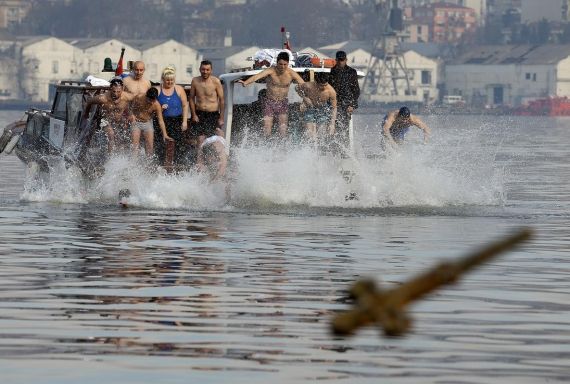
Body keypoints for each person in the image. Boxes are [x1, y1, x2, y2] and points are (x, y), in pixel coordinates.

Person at [237, 51, 305, 138]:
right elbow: (257, 77)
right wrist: (246, 82)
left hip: (282, 102)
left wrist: (307, 97)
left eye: (285, 64)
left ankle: (282, 147)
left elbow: (303, 84)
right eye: (280, 64)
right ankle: (267, 144)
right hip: (269, 102)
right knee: (267, 127)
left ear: (288, 63)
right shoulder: (271, 71)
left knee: (283, 128)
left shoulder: (291, 73)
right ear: (277, 63)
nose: (282, 67)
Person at [82, 77, 133, 153]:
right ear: (110, 89)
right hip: (104, 120)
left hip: (118, 121)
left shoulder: (127, 97)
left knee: (123, 138)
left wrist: (130, 114)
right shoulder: (103, 98)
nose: (116, 94)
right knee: (111, 134)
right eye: (114, 91)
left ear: (122, 89)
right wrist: (86, 114)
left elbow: (130, 104)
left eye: (118, 91)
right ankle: (110, 159)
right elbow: (89, 102)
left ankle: (120, 155)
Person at [155, 66, 189, 166]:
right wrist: (161, 109)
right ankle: (160, 165)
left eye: (171, 80)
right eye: (167, 80)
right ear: (163, 79)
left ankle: (179, 164)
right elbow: (152, 109)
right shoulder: (158, 89)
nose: (169, 82)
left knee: (180, 144)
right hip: (162, 120)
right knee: (160, 143)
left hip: (176, 120)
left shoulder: (179, 89)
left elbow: (185, 105)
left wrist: (184, 121)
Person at [189, 60, 225, 148]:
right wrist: (193, 115)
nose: (205, 72)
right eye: (203, 69)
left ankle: (221, 160)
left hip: (213, 114)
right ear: (200, 69)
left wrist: (221, 117)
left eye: (207, 70)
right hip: (200, 114)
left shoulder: (216, 81)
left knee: (218, 136)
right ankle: (199, 161)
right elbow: (191, 98)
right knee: (200, 139)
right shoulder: (195, 81)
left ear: (211, 70)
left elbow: (222, 100)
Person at [329, 50, 360, 150]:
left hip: (347, 103)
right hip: (335, 103)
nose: (341, 62)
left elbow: (356, 91)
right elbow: (329, 89)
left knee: (344, 127)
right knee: (334, 126)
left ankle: (344, 151)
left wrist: (352, 105)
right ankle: (334, 149)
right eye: (339, 60)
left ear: (346, 60)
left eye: (342, 60)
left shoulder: (352, 72)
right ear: (336, 60)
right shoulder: (332, 71)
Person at [130, 87, 173, 158]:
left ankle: (148, 166)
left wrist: (165, 134)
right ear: (146, 96)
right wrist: (132, 115)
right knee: (135, 146)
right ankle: (133, 164)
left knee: (150, 147)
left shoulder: (157, 105)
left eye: (153, 100)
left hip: (147, 123)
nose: (151, 102)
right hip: (136, 122)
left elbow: (161, 121)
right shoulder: (139, 97)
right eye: (149, 100)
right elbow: (130, 107)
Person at [296, 72, 337, 140]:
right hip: (310, 108)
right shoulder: (308, 85)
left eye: (325, 85)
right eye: (321, 85)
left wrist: (332, 124)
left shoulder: (331, 91)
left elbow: (334, 108)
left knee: (321, 134)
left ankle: (319, 149)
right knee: (309, 134)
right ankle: (310, 148)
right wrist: (305, 98)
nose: (324, 87)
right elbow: (297, 88)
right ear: (315, 82)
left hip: (322, 110)